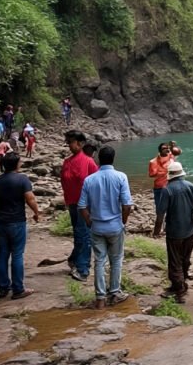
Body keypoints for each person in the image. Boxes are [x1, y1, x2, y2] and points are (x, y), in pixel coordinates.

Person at [78, 145, 133, 310]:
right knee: (116, 260)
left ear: (98, 160)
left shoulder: (89, 180)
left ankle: (100, 298)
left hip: (97, 227)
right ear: (113, 159)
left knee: (99, 261)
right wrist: (123, 221)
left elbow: (82, 206)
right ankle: (115, 292)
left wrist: (89, 221)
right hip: (115, 226)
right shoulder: (121, 177)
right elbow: (127, 205)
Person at [152, 160, 193, 304]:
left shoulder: (166, 190)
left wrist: (156, 231)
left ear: (170, 175)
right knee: (185, 257)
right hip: (191, 229)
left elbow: (160, 213)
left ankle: (179, 289)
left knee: (174, 261)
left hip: (175, 231)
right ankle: (183, 279)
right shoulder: (190, 186)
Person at [0, 152, 39, 300]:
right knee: (17, 254)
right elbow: (30, 198)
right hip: (16, 221)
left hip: (0, 222)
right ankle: (18, 289)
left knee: (3, 254)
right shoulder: (22, 179)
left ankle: (3, 288)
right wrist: (36, 212)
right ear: (17, 164)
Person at [60, 130, 98, 282]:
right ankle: (75, 260)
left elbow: (97, 183)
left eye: (71, 142)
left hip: (85, 205)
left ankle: (83, 269)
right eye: (68, 142)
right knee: (77, 233)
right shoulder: (67, 162)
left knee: (84, 235)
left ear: (80, 143)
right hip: (72, 203)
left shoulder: (88, 162)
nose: (69, 145)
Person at [148, 142, 173, 211]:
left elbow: (178, 151)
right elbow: (151, 175)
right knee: (159, 208)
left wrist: (173, 146)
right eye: (164, 148)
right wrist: (160, 172)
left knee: (171, 207)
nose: (166, 150)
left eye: (167, 148)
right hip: (159, 187)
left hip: (171, 186)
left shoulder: (170, 157)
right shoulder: (153, 162)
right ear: (160, 150)